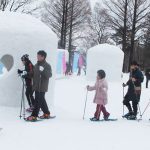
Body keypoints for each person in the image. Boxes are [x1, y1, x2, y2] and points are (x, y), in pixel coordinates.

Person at [26, 50, 52, 121]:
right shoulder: (36, 65)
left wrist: (43, 70)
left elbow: (49, 75)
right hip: (36, 86)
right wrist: (26, 74)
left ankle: (34, 115)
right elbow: (32, 73)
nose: (37, 57)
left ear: (43, 57)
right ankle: (46, 113)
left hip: (42, 87)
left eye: (38, 56)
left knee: (38, 101)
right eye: (37, 56)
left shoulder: (47, 65)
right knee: (42, 100)